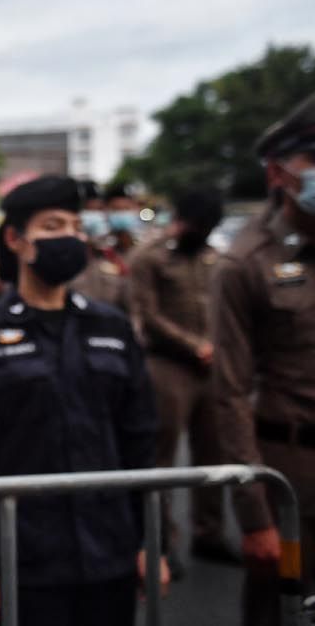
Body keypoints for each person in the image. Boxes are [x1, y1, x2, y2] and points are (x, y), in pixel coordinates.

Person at [0, 175, 164, 625]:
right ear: (15, 240)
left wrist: (151, 542)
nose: (70, 238)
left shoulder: (111, 328)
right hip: (25, 555)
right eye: (53, 225)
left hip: (109, 550)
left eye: (77, 227)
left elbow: (140, 441)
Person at [213, 90, 315, 626]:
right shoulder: (244, 262)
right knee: (285, 600)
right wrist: (255, 513)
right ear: (279, 173)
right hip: (295, 474)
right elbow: (230, 391)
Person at [127, 186, 234, 576]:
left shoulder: (215, 256)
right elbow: (146, 313)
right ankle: (161, 543)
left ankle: (210, 533)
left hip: (211, 368)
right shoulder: (149, 257)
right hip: (167, 366)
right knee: (162, 459)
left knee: (214, 454)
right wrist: (193, 345)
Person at [75, 180, 129, 309]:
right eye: (88, 209)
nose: (95, 215)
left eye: (99, 209)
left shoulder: (111, 252)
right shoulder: (65, 254)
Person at [104, 184, 144, 256]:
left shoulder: (145, 246)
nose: (121, 214)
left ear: (136, 209)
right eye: (116, 209)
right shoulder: (101, 248)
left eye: (126, 209)